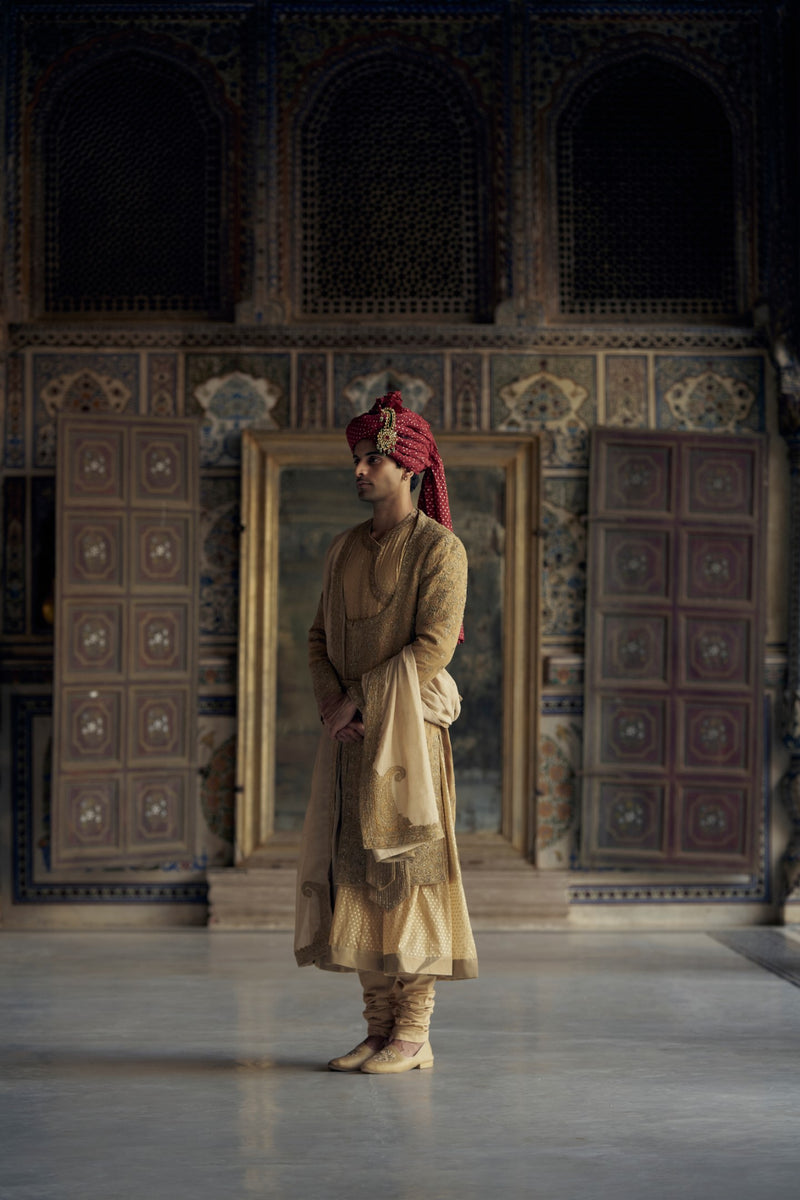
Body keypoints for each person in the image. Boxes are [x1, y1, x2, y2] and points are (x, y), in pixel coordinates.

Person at [294, 390, 478, 1074]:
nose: (359, 470)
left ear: (410, 466)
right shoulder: (344, 548)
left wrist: (358, 702)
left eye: (372, 458)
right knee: (356, 875)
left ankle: (415, 1032)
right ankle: (377, 1029)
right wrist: (331, 706)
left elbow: (434, 646)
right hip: (350, 741)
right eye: (357, 458)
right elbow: (319, 638)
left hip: (408, 739)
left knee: (408, 875)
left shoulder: (440, 550)